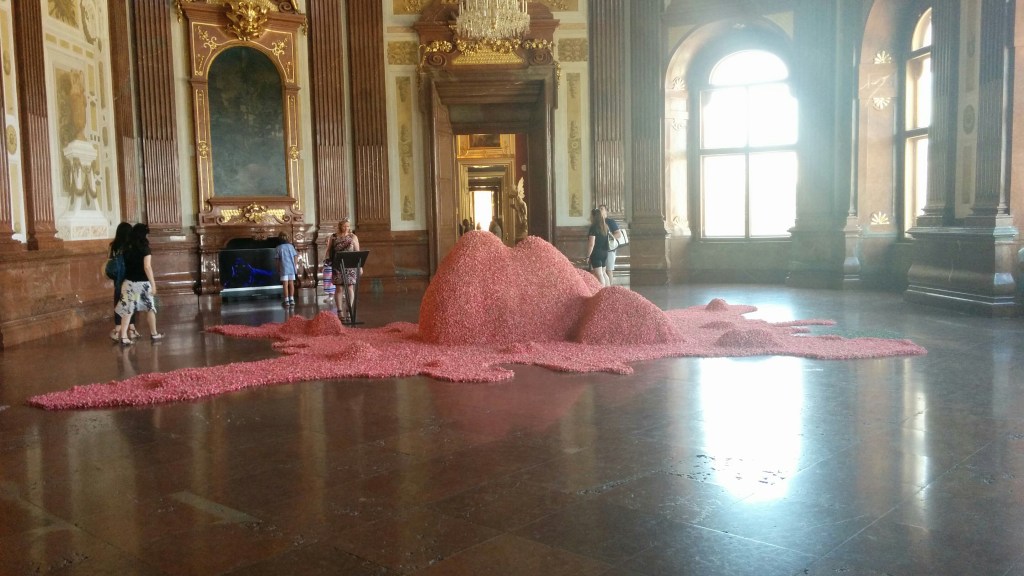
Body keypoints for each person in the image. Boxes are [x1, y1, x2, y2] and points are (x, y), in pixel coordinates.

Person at [114, 223, 163, 345]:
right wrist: (153, 284)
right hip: (142, 285)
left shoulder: (127, 248)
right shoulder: (145, 248)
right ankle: (154, 333)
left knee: (128, 309)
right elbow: (147, 267)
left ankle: (124, 336)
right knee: (150, 309)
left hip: (128, 283)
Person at [107, 222, 139, 341]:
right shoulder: (132, 246)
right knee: (132, 303)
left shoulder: (113, 245)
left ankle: (118, 328)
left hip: (118, 279)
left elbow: (109, 263)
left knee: (118, 303)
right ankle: (132, 328)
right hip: (131, 278)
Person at [326, 218, 361, 321]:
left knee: (350, 287)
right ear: (340, 226)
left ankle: (349, 310)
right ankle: (340, 312)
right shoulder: (333, 237)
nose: (346, 228)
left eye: (348, 226)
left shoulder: (353, 237)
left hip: (350, 265)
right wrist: (326, 263)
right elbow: (328, 251)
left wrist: (361, 267)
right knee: (339, 288)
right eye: (344, 226)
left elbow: (357, 252)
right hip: (337, 265)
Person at [586, 208, 611, 287]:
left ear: (594, 217)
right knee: (604, 273)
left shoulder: (593, 227)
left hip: (596, 253)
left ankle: (602, 292)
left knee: (599, 274)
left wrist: (588, 256)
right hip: (604, 252)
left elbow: (591, 244)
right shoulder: (605, 227)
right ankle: (608, 291)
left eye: (591, 216)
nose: (590, 217)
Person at [599, 204, 623, 282]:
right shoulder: (598, 222)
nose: (600, 210)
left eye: (602, 209)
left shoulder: (610, 221)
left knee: (608, 270)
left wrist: (607, 238)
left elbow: (618, 234)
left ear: (606, 211)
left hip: (609, 250)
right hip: (600, 249)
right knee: (600, 270)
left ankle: (609, 288)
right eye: (599, 209)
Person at [275, 231, 299, 307]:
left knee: (285, 284)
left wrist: (277, 268)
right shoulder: (291, 246)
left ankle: (286, 300)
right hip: (291, 267)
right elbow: (295, 256)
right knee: (291, 283)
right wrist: (295, 265)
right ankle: (292, 299)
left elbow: (277, 260)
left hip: (283, 268)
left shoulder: (278, 248)